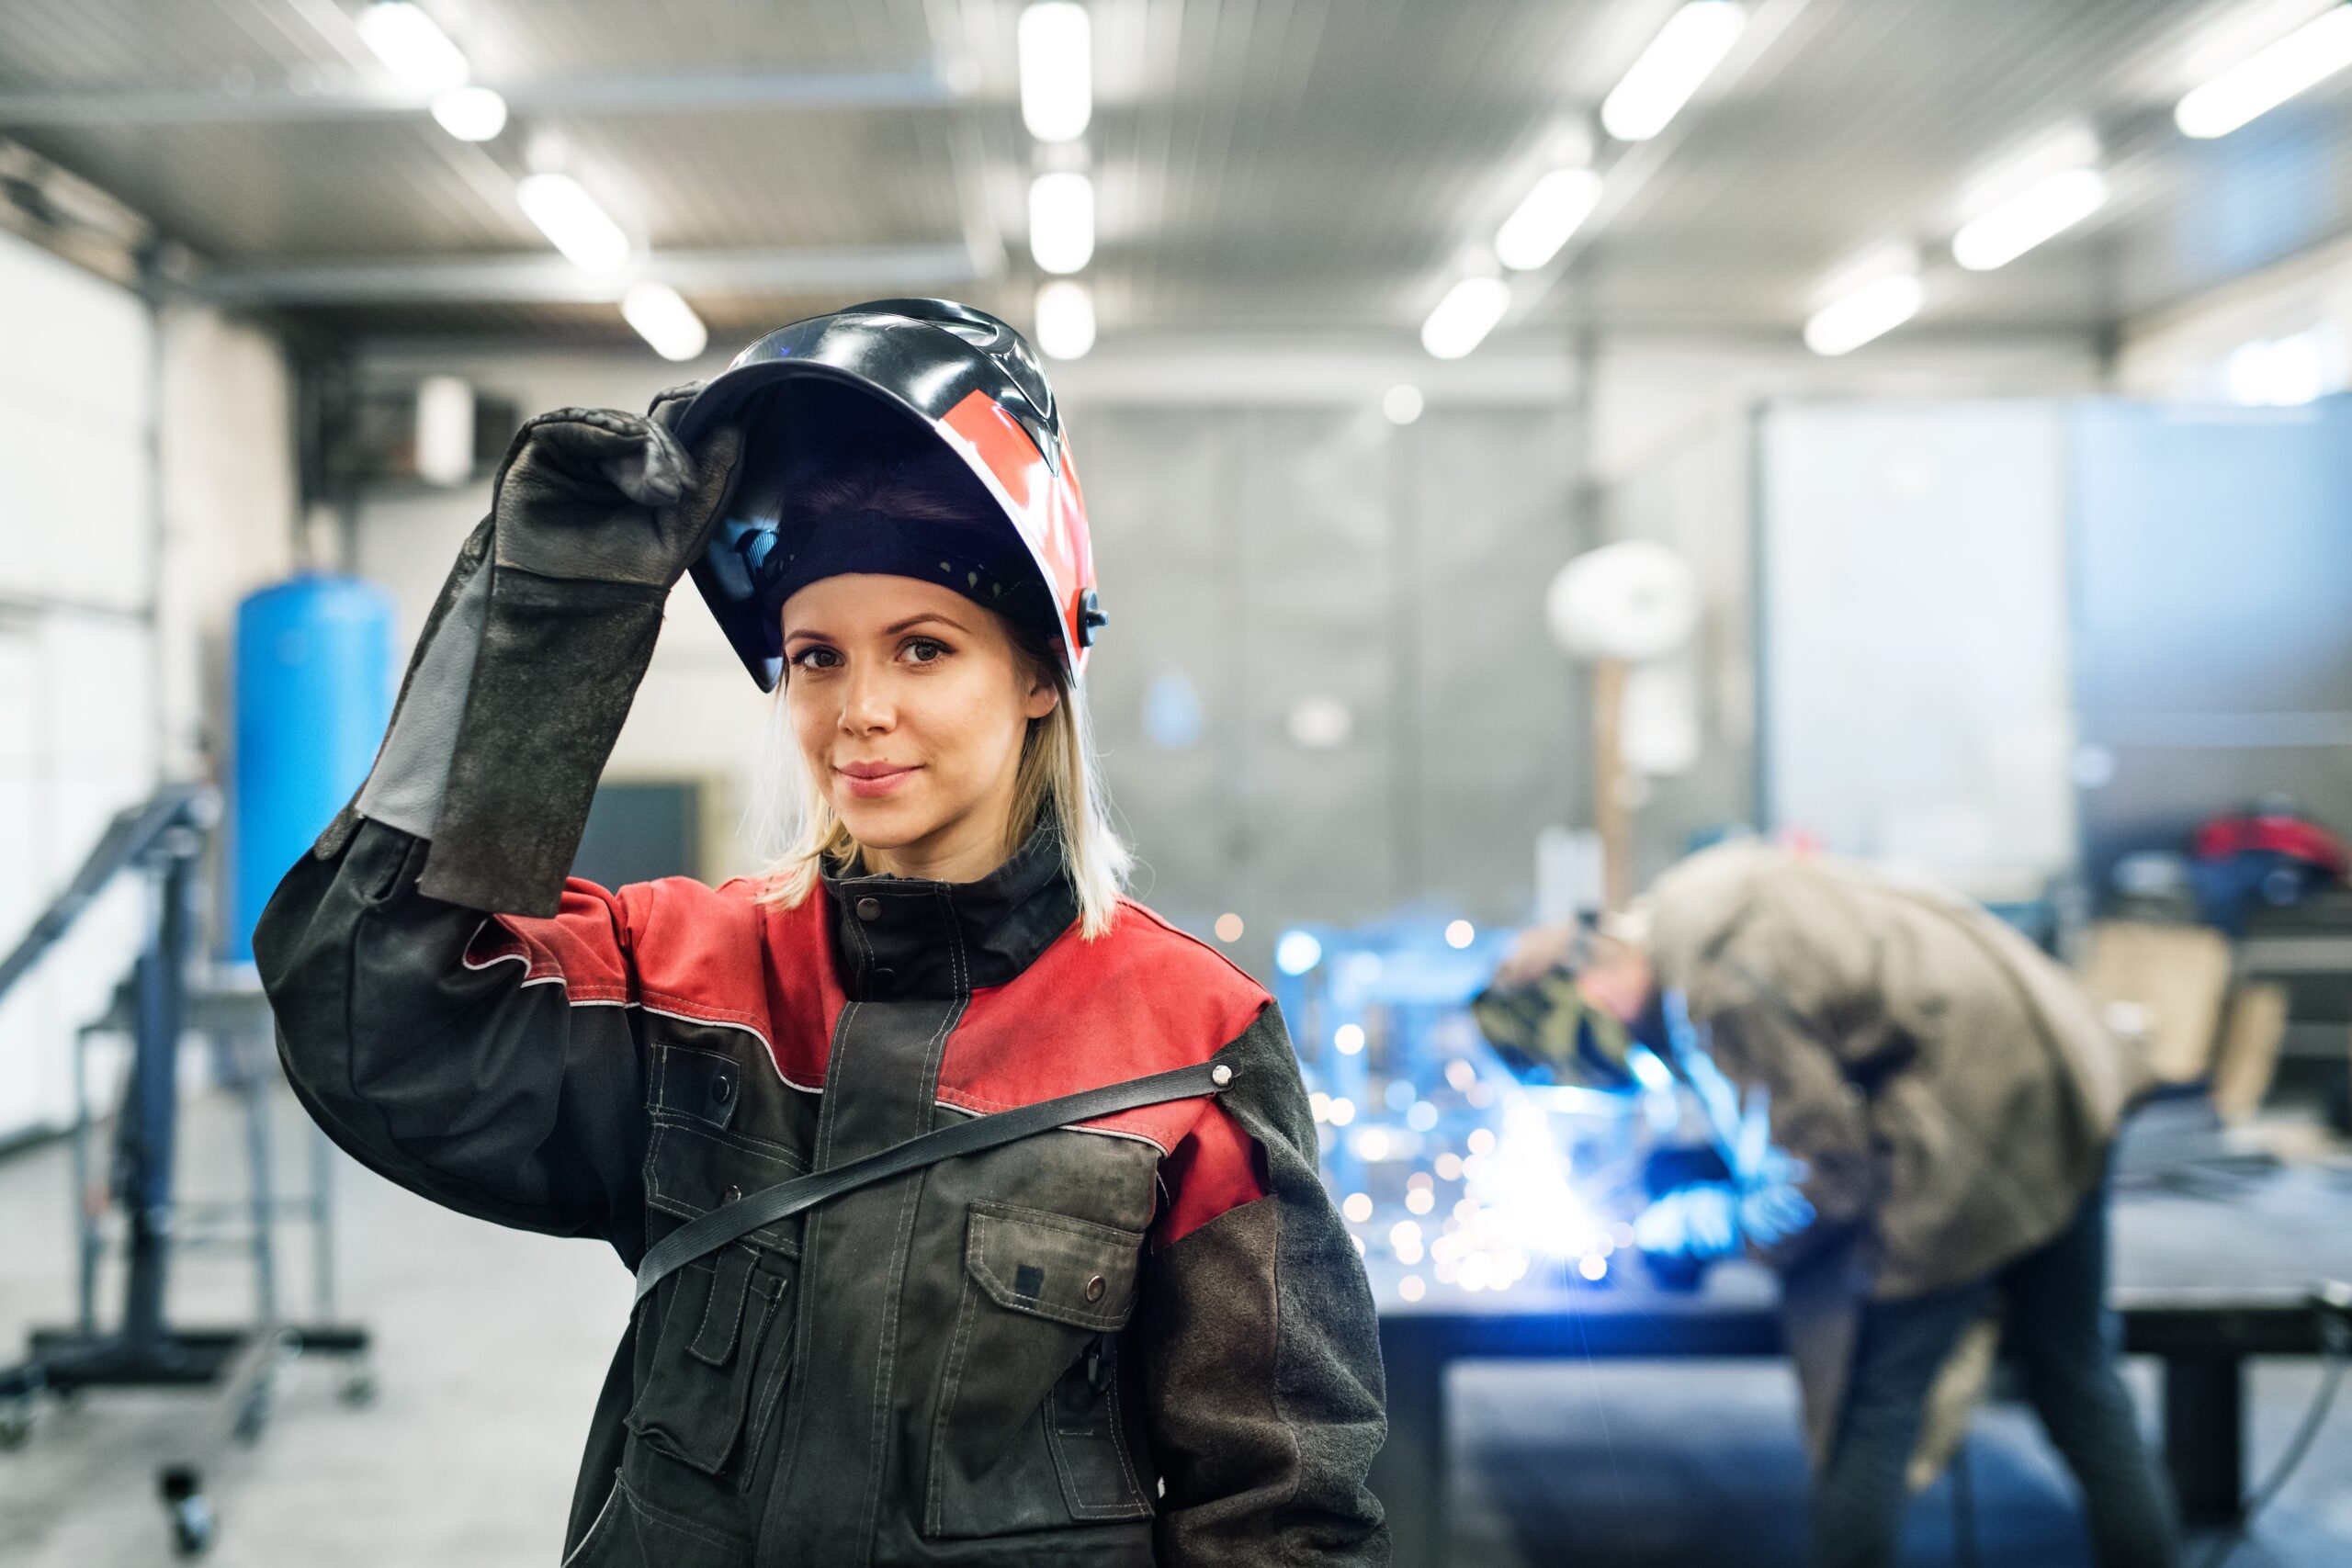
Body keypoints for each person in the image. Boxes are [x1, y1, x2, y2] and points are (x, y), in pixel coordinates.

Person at [256, 299, 1387, 1568]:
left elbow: (1281, 1505)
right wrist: (552, 619)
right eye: (816, 656)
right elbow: (367, 1006)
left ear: (1037, 674)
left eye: (923, 648)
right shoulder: (679, 970)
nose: (860, 709)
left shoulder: (1189, 1041)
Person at [1472, 840, 2179, 1568]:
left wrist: (1688, 1224)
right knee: (2081, 1382)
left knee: (1870, 1408)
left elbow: (1821, 1186)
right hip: (2066, 1081)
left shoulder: (1718, 990)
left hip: (1976, 1119)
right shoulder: (1696, 903)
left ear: (1592, 995)